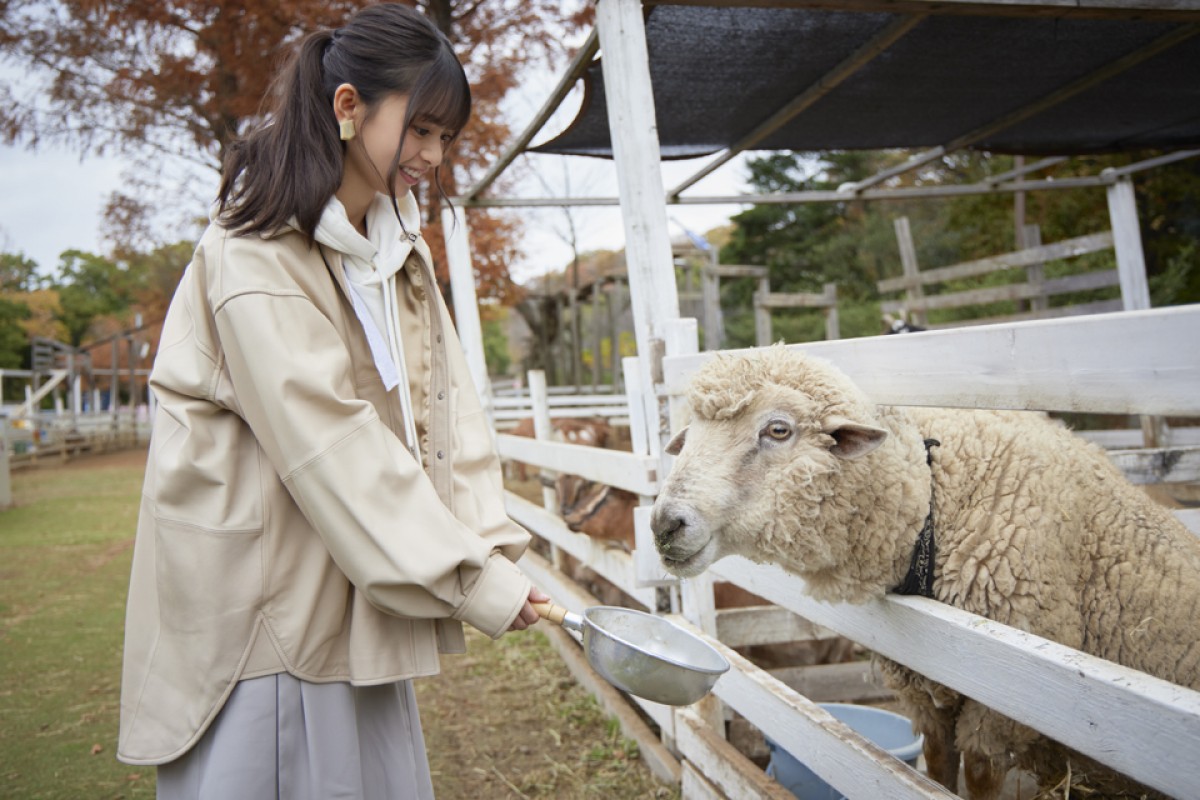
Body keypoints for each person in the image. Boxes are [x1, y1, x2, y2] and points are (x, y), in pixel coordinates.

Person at [117, 5, 547, 797]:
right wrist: (469, 579)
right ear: (348, 107)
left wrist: (490, 548)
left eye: (445, 137)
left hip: (352, 595)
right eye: (420, 129)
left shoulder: (389, 247)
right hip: (266, 615)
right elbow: (331, 441)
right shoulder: (255, 253)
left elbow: (448, 414)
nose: (433, 155)